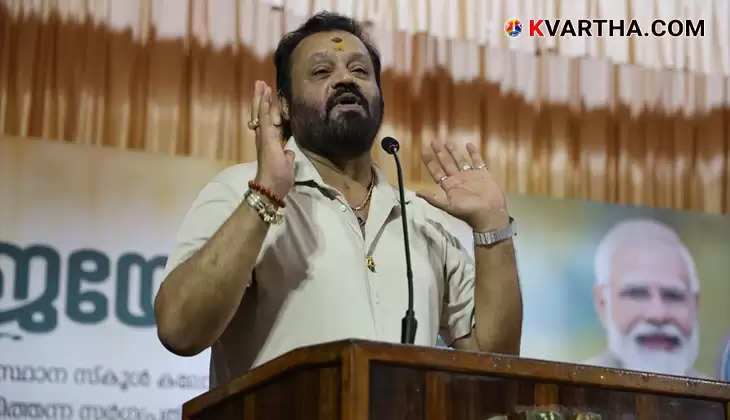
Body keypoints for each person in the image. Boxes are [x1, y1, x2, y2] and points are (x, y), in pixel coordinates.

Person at [153, 12, 522, 388]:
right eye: (321, 72)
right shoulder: (238, 190)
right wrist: (265, 195)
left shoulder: (422, 218)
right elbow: (180, 330)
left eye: (360, 71)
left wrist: (493, 227)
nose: (345, 79)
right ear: (283, 105)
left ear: (380, 97)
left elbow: (494, 364)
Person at [583, 219, 703, 377]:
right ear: (602, 303)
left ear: (694, 305)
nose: (658, 315)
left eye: (674, 296)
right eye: (636, 293)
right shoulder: (570, 391)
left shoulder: (719, 397)